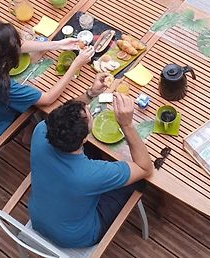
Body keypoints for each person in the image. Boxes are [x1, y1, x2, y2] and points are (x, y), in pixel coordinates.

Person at [29, 93, 153, 248]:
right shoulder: (89, 174)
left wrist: (89, 94)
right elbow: (145, 167)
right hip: (78, 236)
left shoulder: (40, 130)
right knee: (139, 181)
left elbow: (62, 114)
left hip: (38, 216)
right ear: (84, 139)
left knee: (93, 153)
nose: (88, 107)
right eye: (88, 114)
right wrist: (126, 125)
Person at [0, 20, 95, 148]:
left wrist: (57, 44)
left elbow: (17, 47)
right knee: (40, 109)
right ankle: (28, 134)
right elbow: (48, 98)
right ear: (4, 58)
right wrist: (76, 64)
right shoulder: (3, 86)